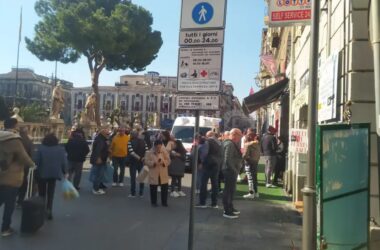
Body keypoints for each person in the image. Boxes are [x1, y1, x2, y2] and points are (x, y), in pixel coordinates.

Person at [0, 119, 35, 237]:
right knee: (9, 204)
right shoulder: (14, 140)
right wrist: (33, 165)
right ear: (15, 126)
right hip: (11, 177)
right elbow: (24, 157)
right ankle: (5, 228)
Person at [34, 133, 68, 220]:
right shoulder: (60, 149)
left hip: (42, 173)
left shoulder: (41, 148)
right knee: (51, 192)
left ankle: (42, 210)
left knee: (42, 193)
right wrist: (65, 172)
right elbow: (63, 162)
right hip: (54, 173)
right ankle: (49, 210)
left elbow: (36, 161)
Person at [196, 131, 223, 208]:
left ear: (209, 135)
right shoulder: (220, 143)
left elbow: (204, 153)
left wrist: (201, 162)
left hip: (208, 164)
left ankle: (202, 203)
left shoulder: (208, 142)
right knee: (215, 185)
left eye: (206, 135)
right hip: (217, 165)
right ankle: (214, 203)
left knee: (203, 183)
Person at [222, 128, 243, 219]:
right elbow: (227, 159)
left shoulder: (230, 143)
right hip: (229, 171)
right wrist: (234, 170)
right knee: (229, 190)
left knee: (231, 190)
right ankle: (227, 210)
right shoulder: (229, 144)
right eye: (239, 135)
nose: (240, 138)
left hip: (231, 170)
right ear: (234, 134)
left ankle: (230, 207)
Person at [144, 139, 171, 207]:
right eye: (157, 147)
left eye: (160, 147)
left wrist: (163, 162)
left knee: (164, 187)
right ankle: (154, 202)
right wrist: (153, 163)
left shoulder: (164, 151)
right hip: (154, 172)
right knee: (153, 188)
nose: (158, 148)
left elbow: (168, 160)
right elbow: (146, 161)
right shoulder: (149, 152)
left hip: (163, 172)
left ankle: (164, 202)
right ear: (154, 146)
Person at [17, 127, 35, 206]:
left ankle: (14, 198)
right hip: (25, 165)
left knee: (15, 183)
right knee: (24, 183)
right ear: (26, 132)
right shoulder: (29, 141)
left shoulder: (16, 140)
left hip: (15, 165)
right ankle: (20, 201)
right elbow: (32, 154)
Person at [90, 125, 110, 195]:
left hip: (102, 159)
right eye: (107, 129)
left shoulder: (103, 139)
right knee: (98, 174)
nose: (109, 131)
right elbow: (98, 150)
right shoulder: (100, 139)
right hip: (99, 160)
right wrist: (98, 158)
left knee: (99, 174)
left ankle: (97, 187)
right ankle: (96, 189)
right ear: (103, 131)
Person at [127, 130, 148, 197]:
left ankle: (133, 193)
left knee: (133, 178)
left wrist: (139, 158)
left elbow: (131, 152)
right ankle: (141, 193)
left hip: (133, 162)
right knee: (141, 177)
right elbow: (147, 151)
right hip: (142, 162)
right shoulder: (143, 141)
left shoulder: (130, 142)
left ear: (132, 135)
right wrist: (144, 158)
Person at [242, 133, 261, 199]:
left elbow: (245, 155)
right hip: (255, 162)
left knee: (250, 178)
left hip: (249, 162)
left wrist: (242, 158)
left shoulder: (248, 145)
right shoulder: (257, 144)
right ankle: (256, 192)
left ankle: (251, 193)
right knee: (254, 178)